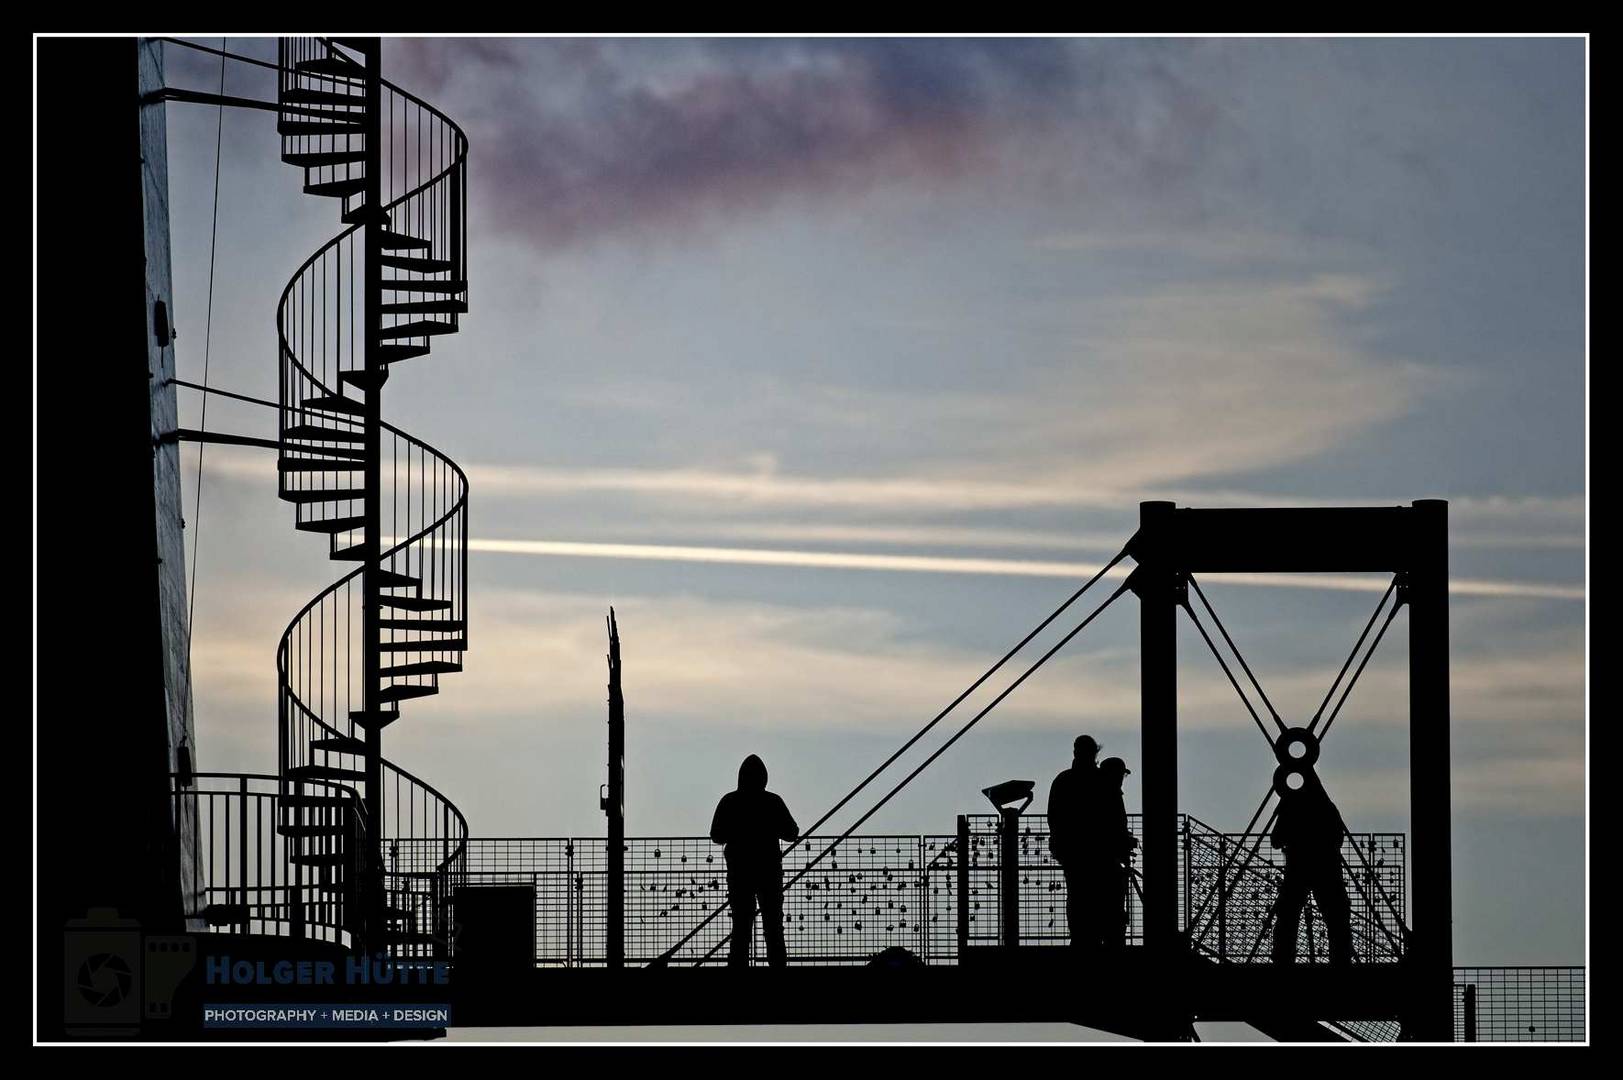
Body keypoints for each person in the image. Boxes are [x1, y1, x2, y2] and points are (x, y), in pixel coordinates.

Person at [709, 754, 799, 968]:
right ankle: (777, 968)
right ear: (764, 778)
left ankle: (738, 968)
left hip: (739, 872)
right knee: (773, 926)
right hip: (769, 871)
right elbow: (792, 832)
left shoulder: (730, 801)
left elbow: (716, 835)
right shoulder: (773, 801)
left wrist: (737, 832)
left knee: (741, 927)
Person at [1270, 771, 1353, 965]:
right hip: (1326, 869)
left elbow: (1276, 839)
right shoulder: (1327, 807)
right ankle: (1341, 960)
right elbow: (1338, 839)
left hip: (1298, 868)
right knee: (1337, 919)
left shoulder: (1290, 807)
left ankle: (1283, 958)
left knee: (1288, 917)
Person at [1047, 735, 1100, 947]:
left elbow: (1053, 816)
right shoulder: (1100, 780)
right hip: (1096, 849)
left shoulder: (1063, 780)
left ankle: (1079, 936)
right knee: (1094, 893)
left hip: (1071, 849)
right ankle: (1092, 935)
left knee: (1077, 893)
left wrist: (1060, 841)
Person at [1088, 757, 1138, 951]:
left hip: (1102, 863)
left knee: (1102, 912)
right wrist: (1124, 842)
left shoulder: (1098, 793)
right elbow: (1111, 829)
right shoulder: (1111, 795)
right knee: (1113, 912)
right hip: (1110, 863)